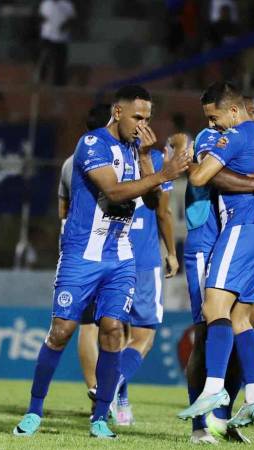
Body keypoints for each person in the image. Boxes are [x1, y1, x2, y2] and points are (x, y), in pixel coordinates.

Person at [13, 85, 190, 439]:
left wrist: (147, 158)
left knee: (112, 332)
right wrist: (162, 174)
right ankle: (34, 411)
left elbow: (155, 207)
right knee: (61, 331)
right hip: (82, 255)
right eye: (138, 117)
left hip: (121, 256)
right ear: (118, 112)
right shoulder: (93, 144)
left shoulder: (137, 149)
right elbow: (112, 191)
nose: (143, 125)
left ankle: (100, 417)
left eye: (148, 119)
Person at [178, 81, 254, 428]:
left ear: (234, 112)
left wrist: (188, 160)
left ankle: (213, 390)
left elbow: (202, 177)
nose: (212, 126)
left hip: (241, 227)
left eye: (215, 117)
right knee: (240, 319)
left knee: (212, 310)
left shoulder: (232, 136)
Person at [110, 129, 179, 427]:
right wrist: (172, 252)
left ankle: (120, 397)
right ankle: (110, 389)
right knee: (144, 336)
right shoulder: (158, 160)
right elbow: (162, 212)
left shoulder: (108, 156)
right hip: (143, 257)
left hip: (111, 253)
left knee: (121, 335)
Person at [57, 103, 112, 410]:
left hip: (75, 245)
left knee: (88, 325)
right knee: (103, 323)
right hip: (100, 248)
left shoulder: (68, 162)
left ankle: (96, 386)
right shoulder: (111, 156)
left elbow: (62, 211)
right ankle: (101, 390)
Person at [38, 0, 76, 85]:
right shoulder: (45, 3)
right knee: (45, 56)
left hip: (61, 38)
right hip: (47, 36)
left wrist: (65, 25)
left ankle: (59, 82)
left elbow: (72, 19)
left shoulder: (67, 4)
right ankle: (41, 78)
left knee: (60, 61)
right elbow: (41, 17)